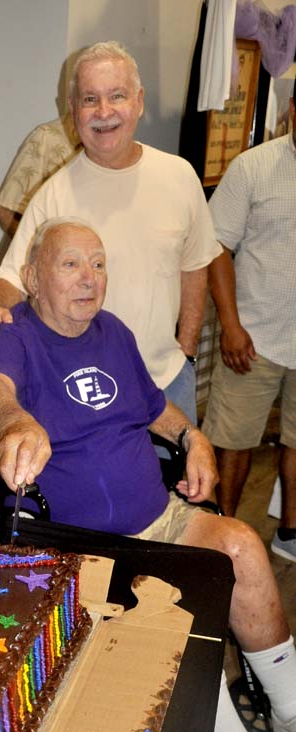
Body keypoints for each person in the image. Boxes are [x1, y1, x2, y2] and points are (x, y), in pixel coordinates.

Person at [0, 218, 296, 732]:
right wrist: (16, 423)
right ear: (34, 278)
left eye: (98, 264)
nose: (89, 278)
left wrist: (192, 434)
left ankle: (290, 711)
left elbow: (152, 405)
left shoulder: (112, 332)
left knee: (243, 545)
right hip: (89, 548)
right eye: (70, 265)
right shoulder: (20, 336)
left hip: (161, 515)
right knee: (180, 615)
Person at [0, 40, 223, 425]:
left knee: (180, 486)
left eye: (117, 96)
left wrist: (187, 350)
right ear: (73, 110)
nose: (104, 112)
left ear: (139, 101)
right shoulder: (54, 194)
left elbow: (194, 265)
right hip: (89, 396)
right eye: (90, 99)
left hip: (168, 384)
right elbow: (11, 281)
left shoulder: (179, 176)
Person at [201, 81, 296, 563]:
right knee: (233, 440)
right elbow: (215, 244)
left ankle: (291, 534)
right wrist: (231, 325)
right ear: (293, 110)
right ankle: (223, 531)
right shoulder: (254, 167)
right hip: (254, 337)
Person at [0, 111, 81, 238]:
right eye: (90, 98)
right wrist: (44, 251)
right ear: (72, 102)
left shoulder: (115, 146)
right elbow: (6, 210)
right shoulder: (47, 137)